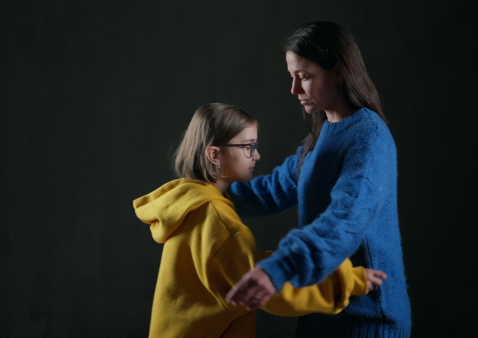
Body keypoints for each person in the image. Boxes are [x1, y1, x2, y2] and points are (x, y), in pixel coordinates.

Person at [132, 103, 387, 338]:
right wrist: (347, 281)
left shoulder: (188, 206)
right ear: (214, 154)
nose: (257, 156)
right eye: (248, 146)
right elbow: (270, 290)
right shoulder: (218, 221)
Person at [225, 22, 412, 337]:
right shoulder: (319, 137)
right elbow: (269, 192)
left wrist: (279, 269)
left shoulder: (369, 137)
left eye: (305, 77)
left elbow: (345, 219)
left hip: (366, 320)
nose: (294, 90)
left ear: (338, 72)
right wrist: (199, 192)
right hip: (323, 311)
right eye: (292, 77)